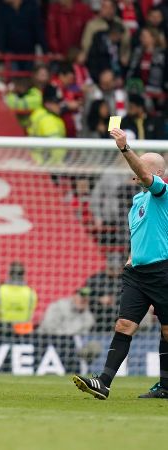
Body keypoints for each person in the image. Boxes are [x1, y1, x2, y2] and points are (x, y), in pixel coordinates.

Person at [73, 128, 168, 400]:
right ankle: (103, 383)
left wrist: (126, 149)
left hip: (163, 271)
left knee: (167, 330)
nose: (134, 169)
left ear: (156, 174)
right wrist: (131, 258)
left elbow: (148, 176)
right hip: (137, 274)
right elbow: (143, 235)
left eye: (143, 167)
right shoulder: (137, 200)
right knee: (124, 325)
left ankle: (165, 386)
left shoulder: (162, 193)